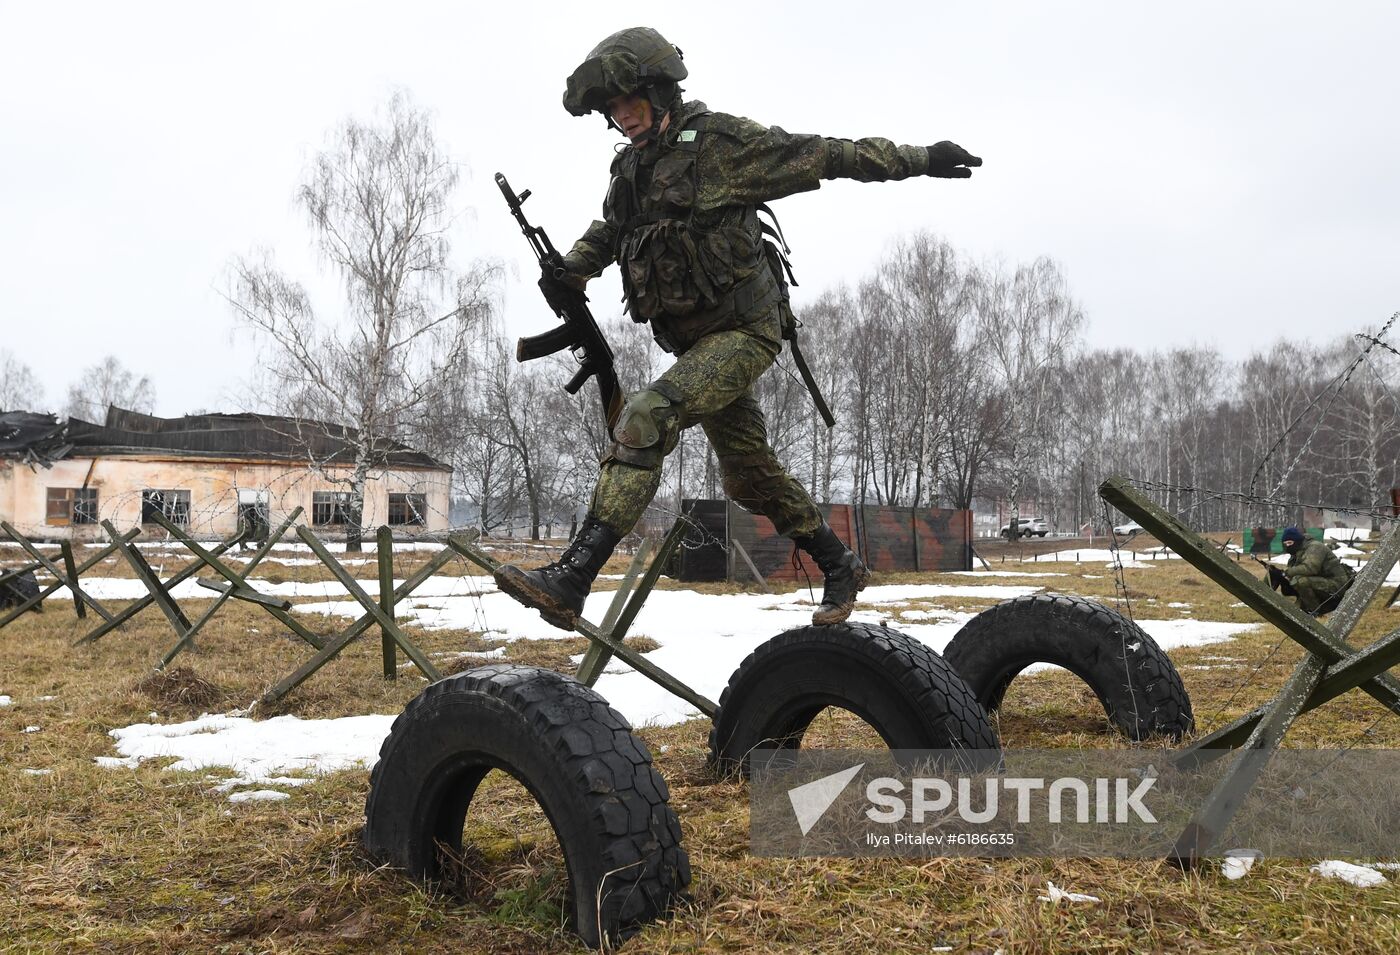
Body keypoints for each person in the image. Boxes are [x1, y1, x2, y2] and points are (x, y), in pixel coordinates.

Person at [494, 26, 981, 631]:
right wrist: (572, 269)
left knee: (644, 416)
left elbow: (829, 154)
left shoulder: (722, 146)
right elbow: (612, 228)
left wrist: (922, 160)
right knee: (750, 477)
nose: (623, 120)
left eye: (631, 105)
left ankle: (573, 578)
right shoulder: (632, 170)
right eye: (613, 112)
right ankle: (840, 563)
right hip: (697, 343)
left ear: (662, 92)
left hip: (746, 333)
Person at [1275, 526, 1354, 615]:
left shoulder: (1315, 547)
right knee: (1289, 580)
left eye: (1290, 542)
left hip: (1336, 585)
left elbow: (1310, 568)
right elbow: (1295, 571)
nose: (1288, 546)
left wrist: (1287, 572)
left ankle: (1314, 612)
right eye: (1285, 544)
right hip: (1322, 581)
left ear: (1297, 540)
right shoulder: (1297, 552)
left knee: (1300, 581)